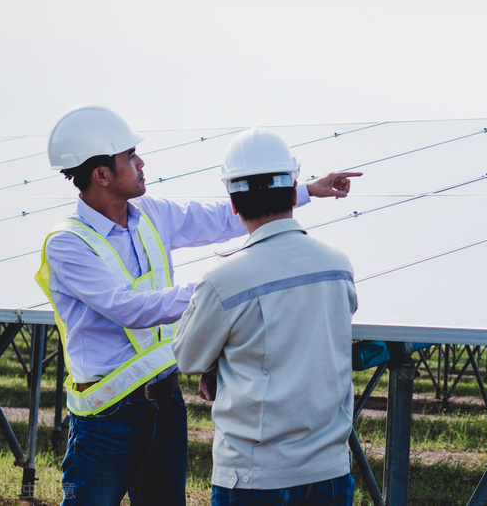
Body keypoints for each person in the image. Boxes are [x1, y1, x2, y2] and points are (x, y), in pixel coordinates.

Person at [34, 105, 360, 505]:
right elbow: (127, 309)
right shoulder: (68, 244)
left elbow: (225, 217)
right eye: (130, 156)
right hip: (108, 417)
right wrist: (223, 289)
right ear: (101, 175)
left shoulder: (151, 213)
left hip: (166, 403)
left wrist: (305, 190)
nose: (141, 163)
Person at [172, 128, 357, 505]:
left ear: (233, 203)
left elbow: (188, 357)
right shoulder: (338, 265)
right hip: (329, 470)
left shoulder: (224, 280)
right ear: (293, 190)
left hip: (253, 477)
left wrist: (215, 366)